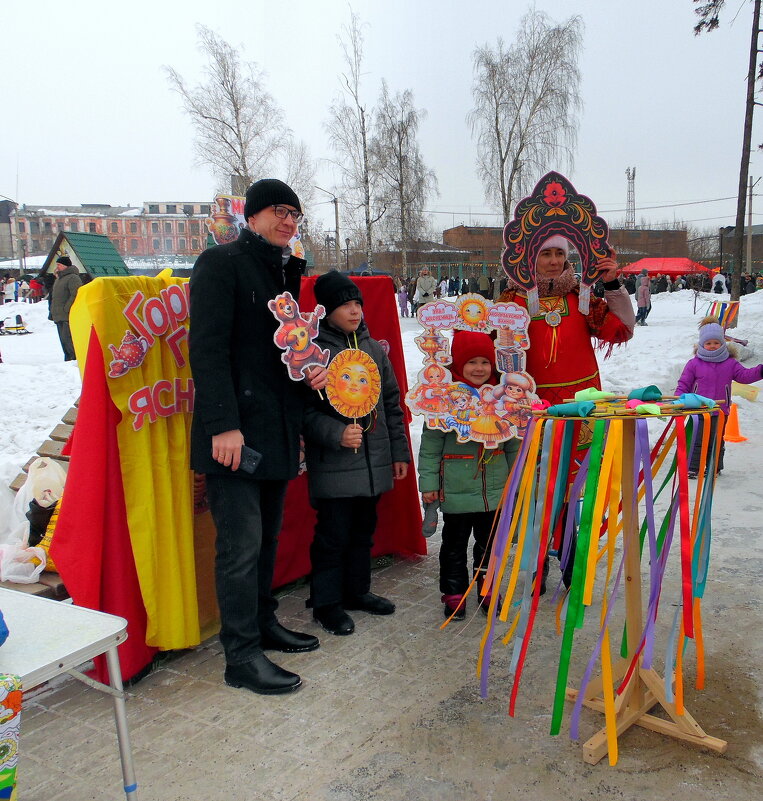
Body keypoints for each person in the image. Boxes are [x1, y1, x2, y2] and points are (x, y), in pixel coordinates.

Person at [189, 178, 325, 696]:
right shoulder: (222, 263)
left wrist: (309, 372)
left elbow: (280, 353)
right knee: (241, 547)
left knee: (266, 539)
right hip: (235, 435)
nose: (289, 221)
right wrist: (223, 425)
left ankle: (264, 622)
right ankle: (240, 654)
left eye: (295, 213)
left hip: (276, 430)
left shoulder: (284, 274)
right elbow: (206, 349)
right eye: (278, 211)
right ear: (252, 215)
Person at [497, 235, 635, 590]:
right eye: (546, 253)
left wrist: (612, 283)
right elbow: (488, 352)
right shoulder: (510, 303)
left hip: (579, 410)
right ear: (531, 257)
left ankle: (573, 558)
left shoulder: (583, 298)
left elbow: (621, 331)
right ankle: (537, 561)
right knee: (538, 489)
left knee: (575, 490)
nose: (555, 261)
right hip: (532, 409)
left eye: (560, 253)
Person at [302, 271, 410, 636]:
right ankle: (326, 604)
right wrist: (336, 433)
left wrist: (399, 453)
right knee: (333, 536)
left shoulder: (373, 348)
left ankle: (357, 591)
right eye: (345, 304)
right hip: (334, 464)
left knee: (364, 531)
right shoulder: (312, 352)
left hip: (373, 461)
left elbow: (392, 404)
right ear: (326, 309)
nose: (354, 311)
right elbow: (301, 412)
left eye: (357, 304)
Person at [418, 332, 519, 619]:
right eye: (471, 362)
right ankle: (454, 592)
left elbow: (513, 444)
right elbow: (430, 449)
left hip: (494, 492)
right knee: (453, 546)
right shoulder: (444, 403)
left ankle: (487, 587)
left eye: (485, 362)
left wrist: (517, 480)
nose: (478, 368)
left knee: (490, 546)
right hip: (456, 490)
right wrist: (429, 485)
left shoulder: (504, 400)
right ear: (458, 366)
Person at [674, 317, 762, 478]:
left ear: (723, 344)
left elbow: (744, 376)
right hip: (699, 409)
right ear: (702, 345)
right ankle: (693, 467)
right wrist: (679, 398)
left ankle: (714, 467)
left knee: (716, 440)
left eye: (716, 342)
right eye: (709, 343)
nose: (713, 346)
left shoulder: (730, 363)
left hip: (720, 410)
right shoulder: (694, 364)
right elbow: (684, 383)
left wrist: (760, 370)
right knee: (698, 439)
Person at [49, 256, 83, 361]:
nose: (57, 267)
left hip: (67, 315)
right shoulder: (59, 278)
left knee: (68, 339)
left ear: (65, 266)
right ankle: (68, 359)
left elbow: (76, 294)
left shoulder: (73, 277)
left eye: (59, 265)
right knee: (63, 340)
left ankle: (73, 359)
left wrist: (67, 308)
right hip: (58, 314)